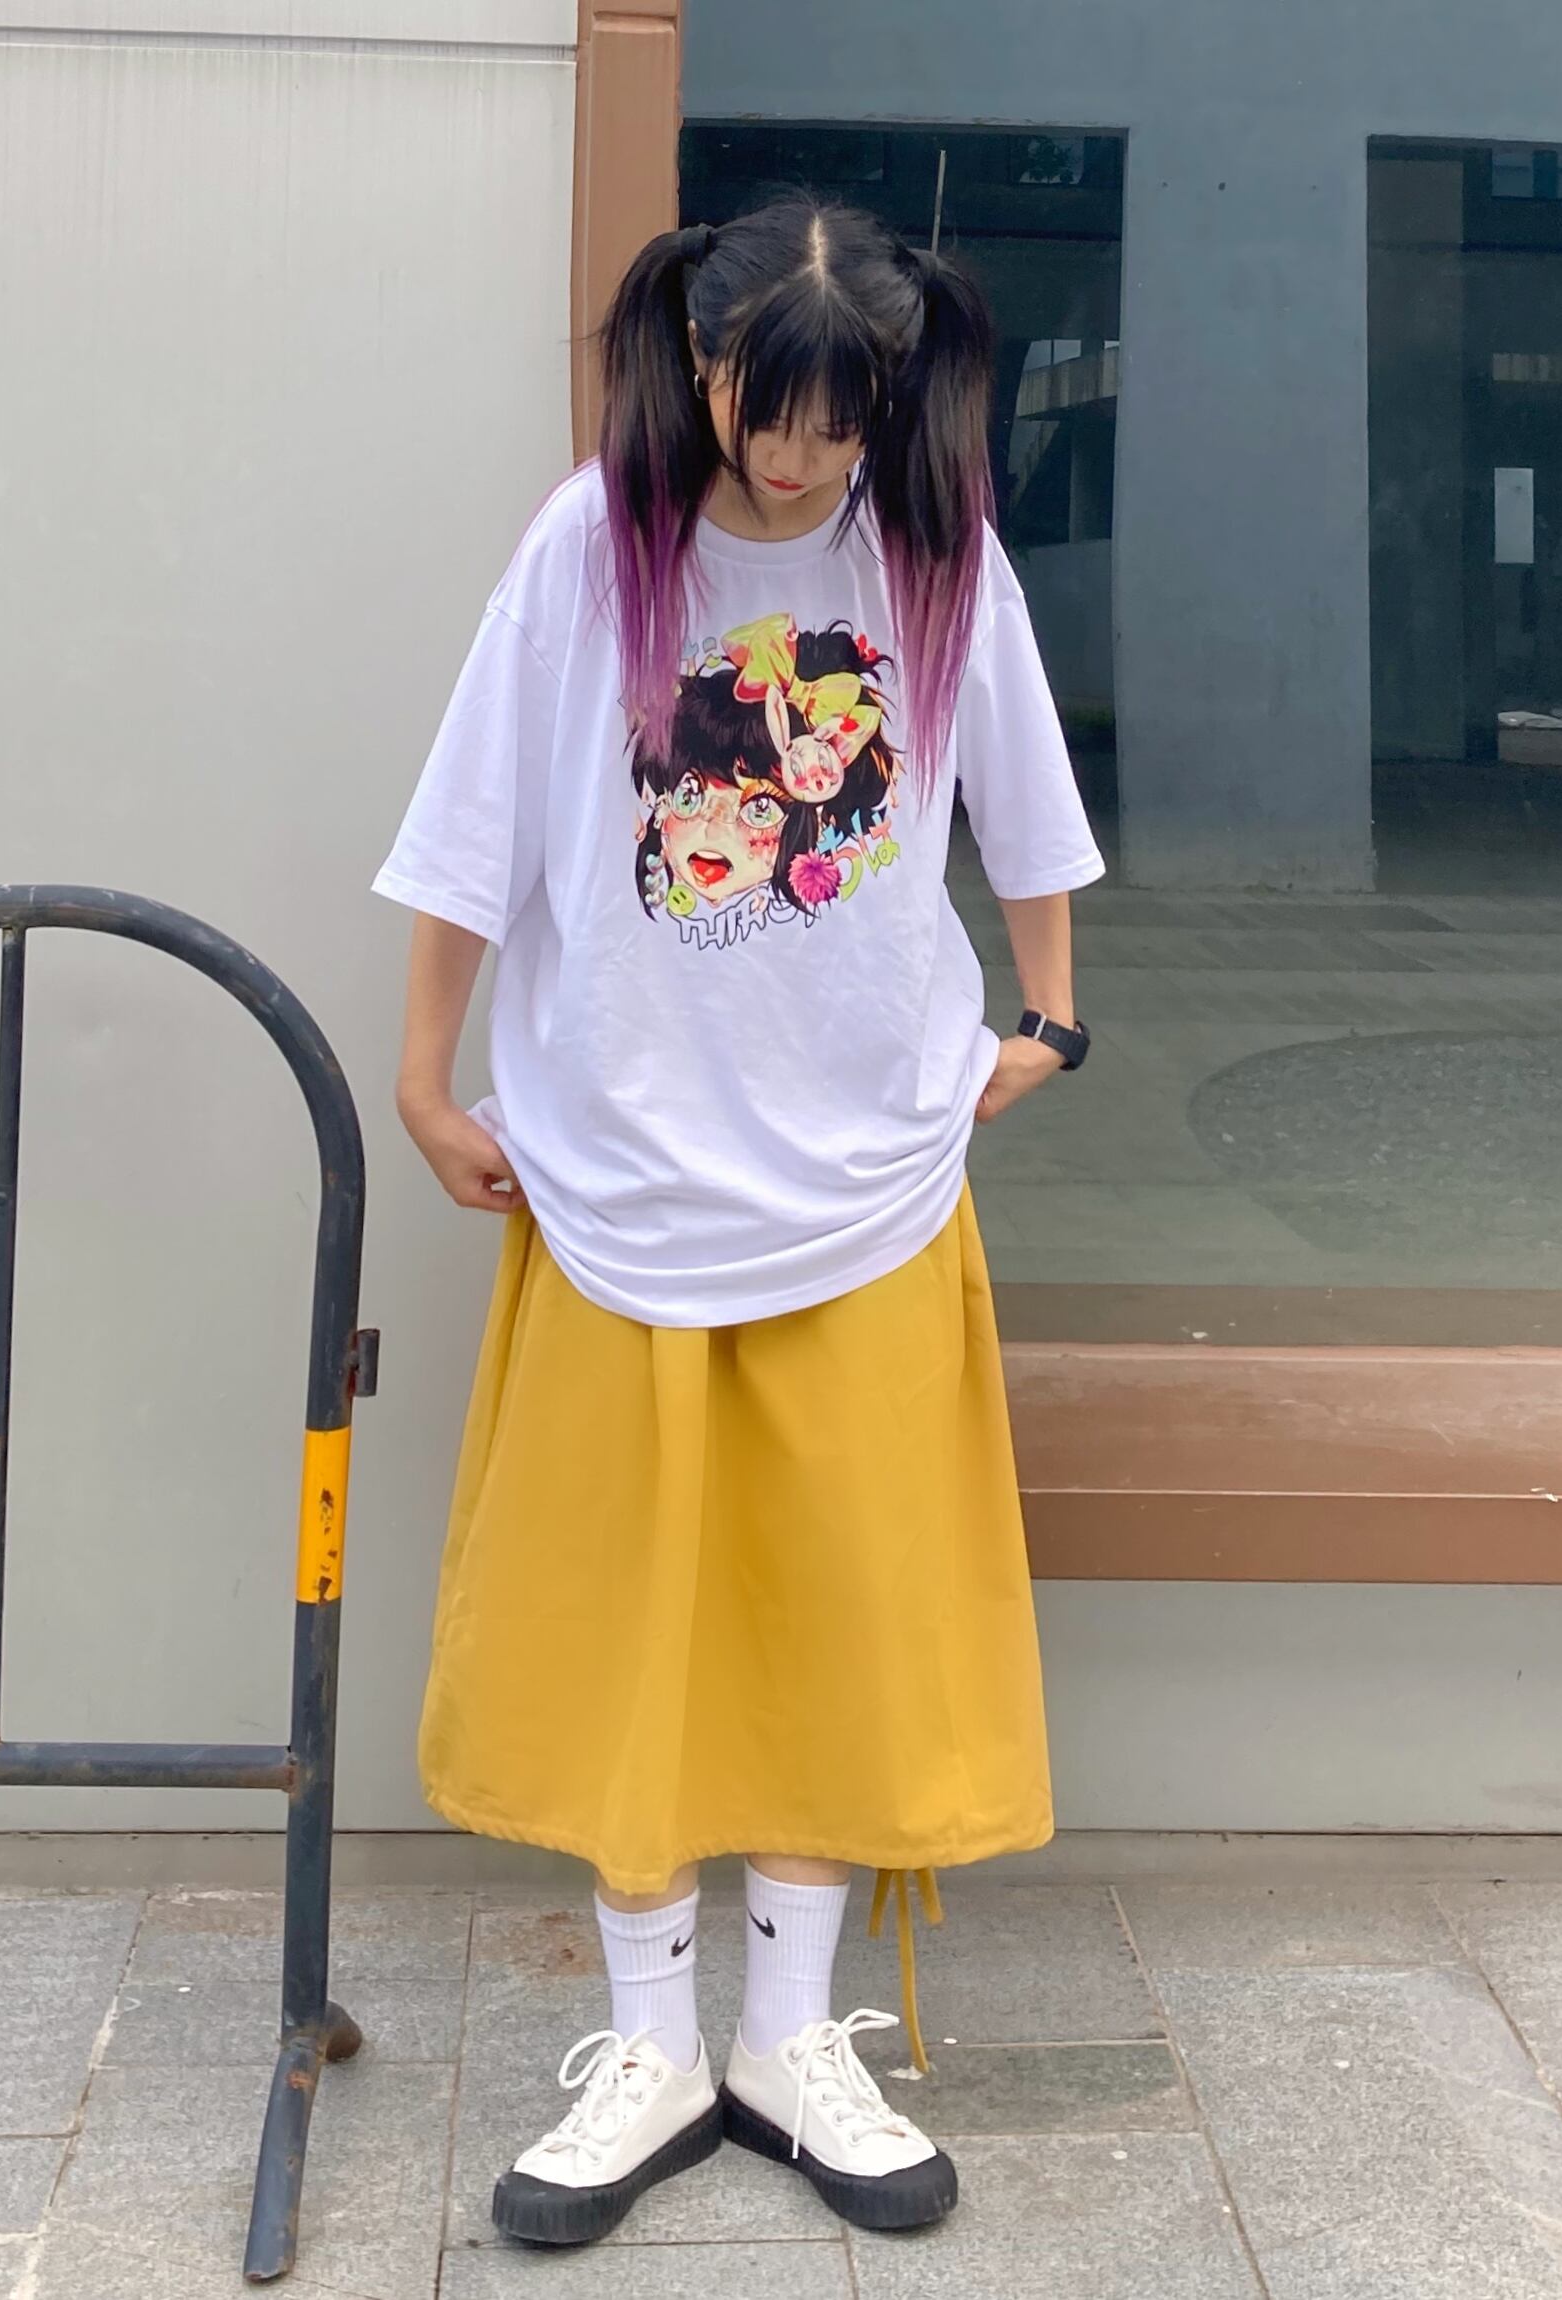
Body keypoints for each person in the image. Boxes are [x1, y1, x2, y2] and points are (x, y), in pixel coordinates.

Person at [372, 193, 1104, 2248]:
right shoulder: (590, 552)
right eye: (760, 410)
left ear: (883, 395)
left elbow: (1025, 797)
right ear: (695, 366)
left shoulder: (932, 553)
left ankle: (789, 2034)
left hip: (868, 1180)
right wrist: (424, 1078)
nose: (793, 458)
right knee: (630, 1614)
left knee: (834, 1605)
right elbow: (470, 831)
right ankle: (650, 2044)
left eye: (833, 418)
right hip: (623, 1175)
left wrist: (1047, 1020)